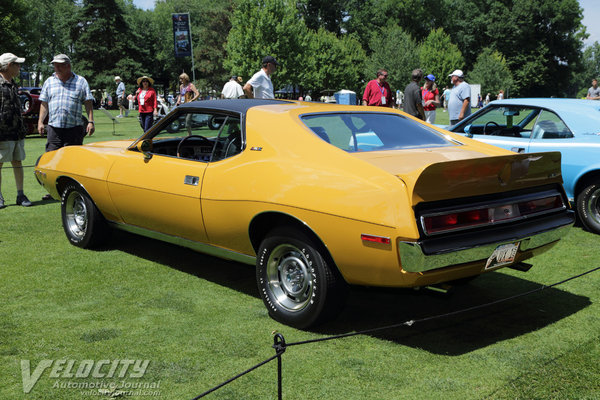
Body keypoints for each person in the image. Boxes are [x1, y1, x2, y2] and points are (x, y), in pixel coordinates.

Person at [38, 54, 94, 150]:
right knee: (52, 159)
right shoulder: (49, 82)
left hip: (74, 129)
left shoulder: (81, 82)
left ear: (68, 66)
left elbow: (88, 103)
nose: (57, 68)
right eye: (55, 65)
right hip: (54, 128)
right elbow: (44, 104)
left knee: (72, 161)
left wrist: (91, 121)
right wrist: (40, 122)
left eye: (60, 65)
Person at [0, 53, 31, 208]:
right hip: (2, 133)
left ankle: (20, 194)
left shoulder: (13, 83)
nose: (19, 67)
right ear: (8, 65)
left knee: (17, 162)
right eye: (17, 64)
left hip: (16, 131)